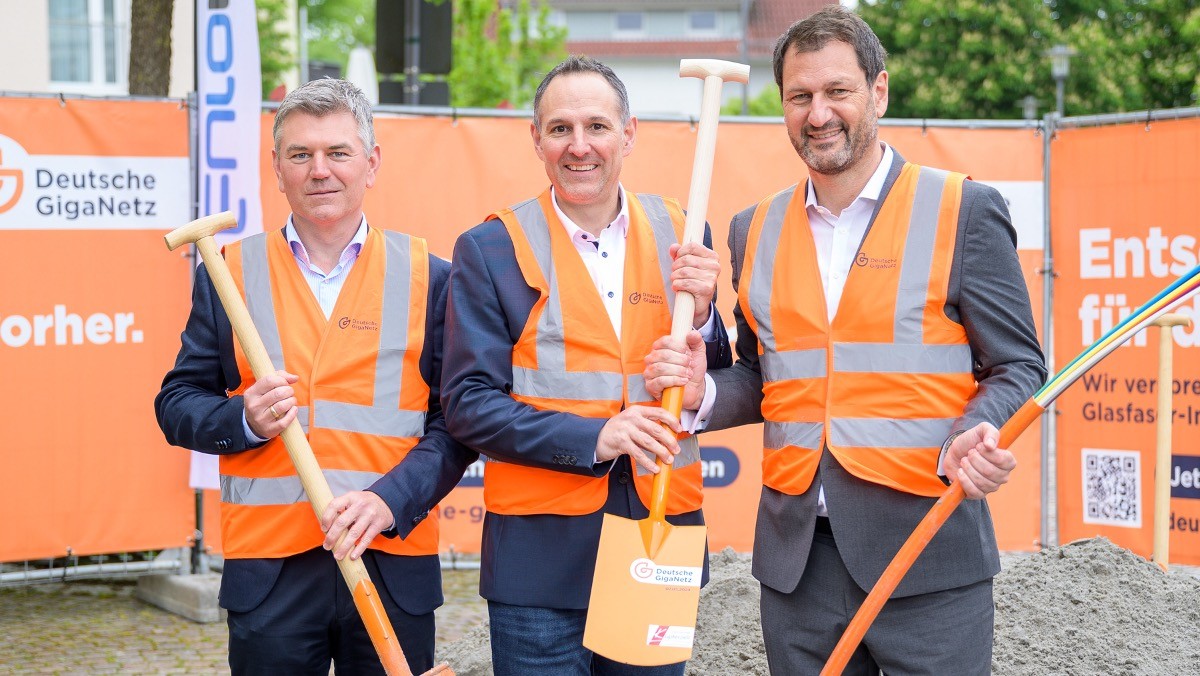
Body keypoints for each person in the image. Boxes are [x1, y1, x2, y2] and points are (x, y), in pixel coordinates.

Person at [643, 7, 1048, 674]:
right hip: (799, 567)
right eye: (800, 96)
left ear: (878, 92)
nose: (818, 113)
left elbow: (1019, 366)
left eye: (838, 91)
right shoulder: (753, 230)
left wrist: (978, 429)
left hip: (927, 555)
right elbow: (766, 374)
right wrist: (706, 390)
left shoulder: (963, 210)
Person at [155, 78, 475, 674]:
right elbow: (176, 403)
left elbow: (457, 424)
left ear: (371, 163)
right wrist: (242, 419)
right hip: (269, 574)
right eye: (300, 154)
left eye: (338, 153)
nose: (319, 170)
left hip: (389, 556)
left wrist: (389, 501)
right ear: (277, 168)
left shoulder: (431, 277)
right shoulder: (229, 273)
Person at [440, 56, 731, 676]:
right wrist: (595, 436)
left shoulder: (683, 230)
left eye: (597, 126)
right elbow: (467, 402)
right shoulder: (491, 248)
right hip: (538, 558)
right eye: (560, 129)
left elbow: (719, 376)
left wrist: (704, 316)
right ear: (536, 140)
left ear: (628, 135)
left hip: (657, 530)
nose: (580, 147)